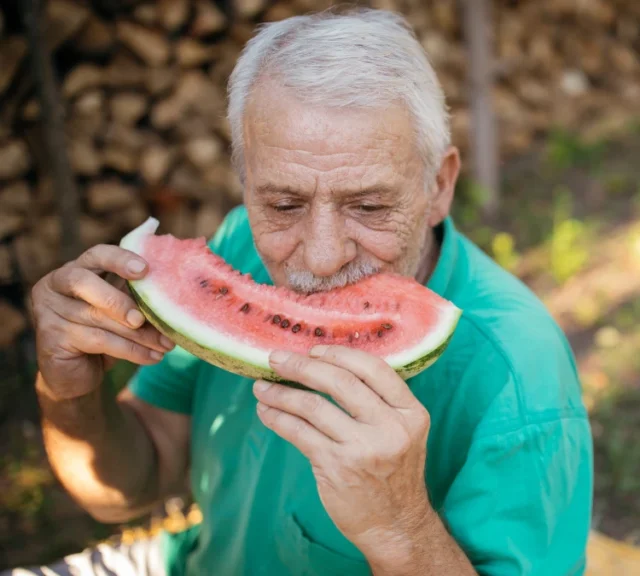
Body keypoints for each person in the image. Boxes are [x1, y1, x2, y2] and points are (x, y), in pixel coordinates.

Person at [11, 8, 592, 576]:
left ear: (438, 186)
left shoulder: (519, 379)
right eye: (284, 205)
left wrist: (399, 528)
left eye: (369, 206)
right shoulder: (238, 244)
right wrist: (69, 395)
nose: (320, 256)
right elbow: (122, 492)